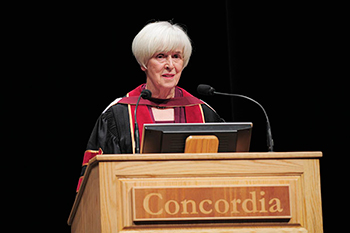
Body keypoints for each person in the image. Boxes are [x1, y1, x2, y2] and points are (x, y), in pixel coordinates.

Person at [76, 21, 224, 192]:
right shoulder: (119, 114)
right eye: (161, 56)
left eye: (176, 56)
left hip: (195, 207)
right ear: (144, 63)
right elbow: (97, 181)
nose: (170, 65)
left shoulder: (204, 112)